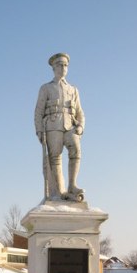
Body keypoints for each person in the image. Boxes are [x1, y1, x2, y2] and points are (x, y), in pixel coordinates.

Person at [34, 53, 85, 201]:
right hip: (52, 125)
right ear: (54, 68)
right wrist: (38, 130)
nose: (63, 68)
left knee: (75, 150)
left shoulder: (73, 89)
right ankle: (59, 191)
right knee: (55, 158)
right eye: (60, 65)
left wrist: (81, 126)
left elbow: (80, 112)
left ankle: (72, 185)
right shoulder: (46, 88)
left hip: (70, 126)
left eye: (65, 65)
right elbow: (38, 111)